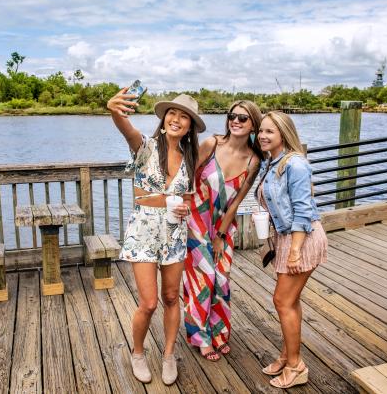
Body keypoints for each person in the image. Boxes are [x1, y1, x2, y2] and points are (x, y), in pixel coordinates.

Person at [106, 89, 205, 385]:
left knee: (172, 297)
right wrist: (114, 109)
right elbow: (126, 127)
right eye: (172, 113)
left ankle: (169, 355)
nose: (177, 119)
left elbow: (187, 197)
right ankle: (138, 353)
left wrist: (186, 207)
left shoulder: (190, 157)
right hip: (144, 233)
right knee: (149, 303)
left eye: (184, 116)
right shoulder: (145, 146)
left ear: (189, 126)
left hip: (174, 233)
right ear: (163, 120)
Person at [183, 100, 263, 361]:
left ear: (253, 124)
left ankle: (219, 333)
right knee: (202, 278)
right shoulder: (212, 144)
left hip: (223, 227)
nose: (236, 121)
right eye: (232, 116)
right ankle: (200, 337)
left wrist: (220, 237)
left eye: (243, 118)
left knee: (222, 280)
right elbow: (188, 178)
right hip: (196, 222)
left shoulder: (254, 159)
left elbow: (237, 201)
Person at [256, 111, 327, 388]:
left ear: (283, 134)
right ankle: (287, 356)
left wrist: (296, 250)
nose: (262, 136)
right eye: (261, 131)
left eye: (269, 131)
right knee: (290, 301)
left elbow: (303, 210)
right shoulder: (271, 162)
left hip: (302, 238)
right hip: (286, 238)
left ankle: (297, 366)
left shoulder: (295, 164)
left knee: (282, 301)